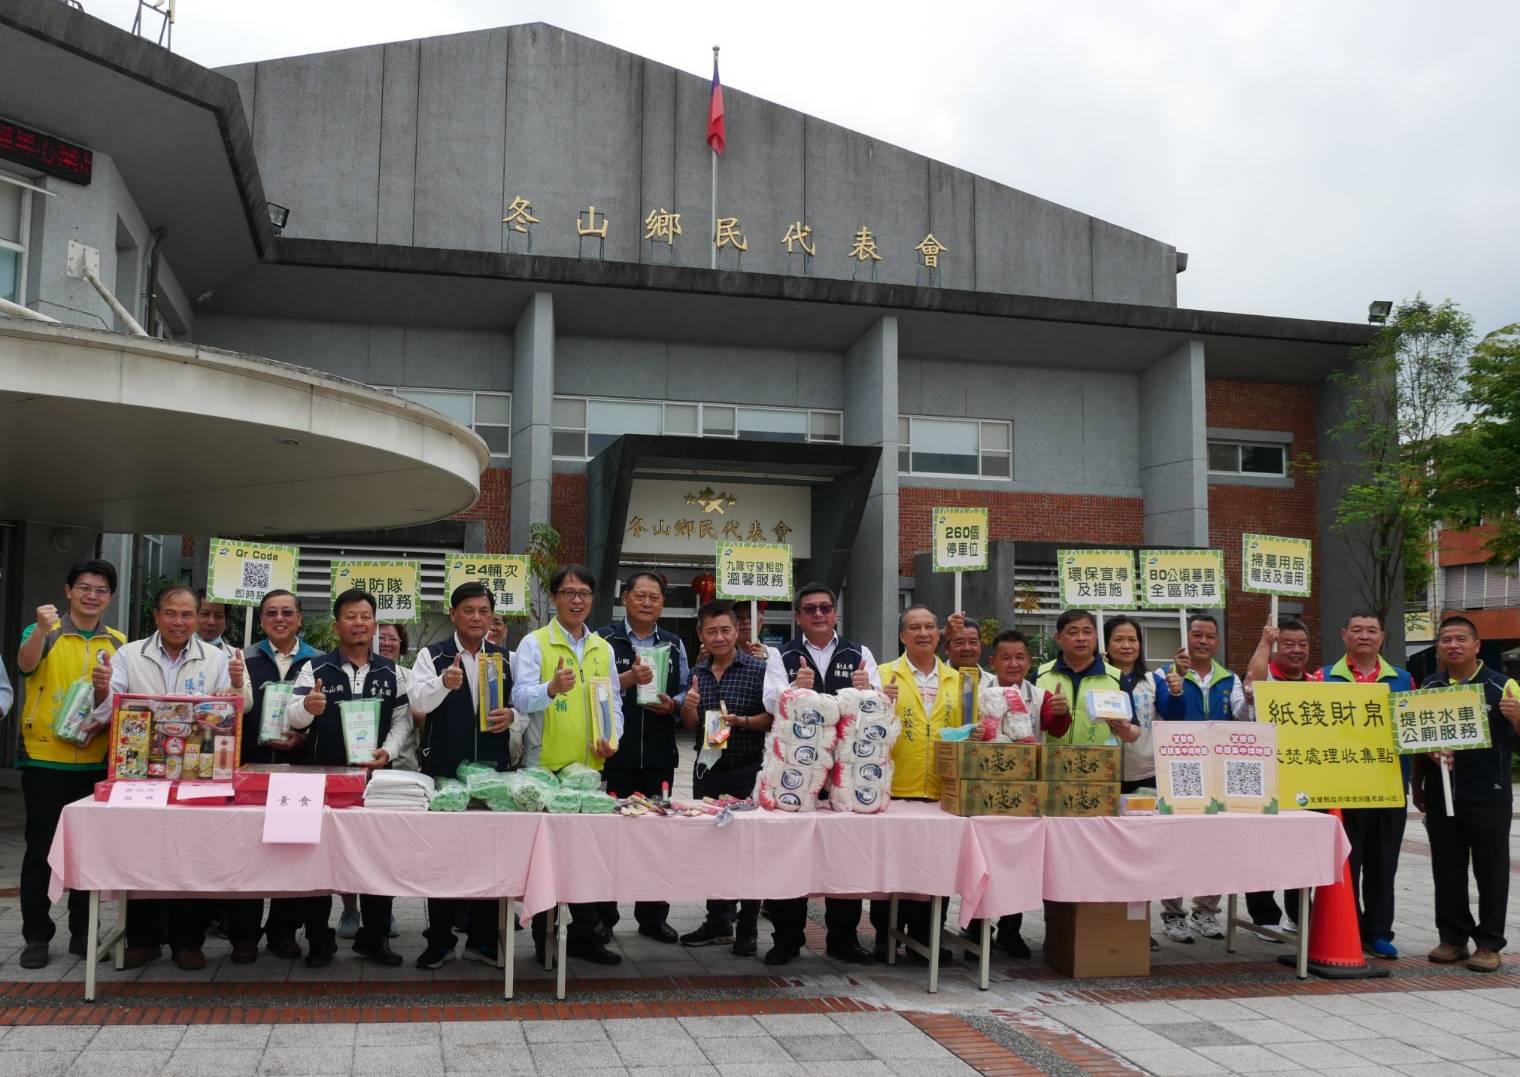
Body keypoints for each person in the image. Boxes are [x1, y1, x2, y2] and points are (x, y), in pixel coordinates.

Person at [96, 585, 239, 970]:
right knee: (141, 852)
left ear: (196, 618)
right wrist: (100, 690)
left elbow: (236, 709)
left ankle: (187, 941)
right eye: (171, 614)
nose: (179, 622)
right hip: (141, 773)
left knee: (190, 854)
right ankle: (143, 938)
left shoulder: (217, 657)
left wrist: (239, 686)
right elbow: (109, 707)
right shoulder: (130, 654)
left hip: (197, 772)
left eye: (187, 615)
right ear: (156, 615)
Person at [287, 588, 414, 967]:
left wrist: (387, 752)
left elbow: (402, 720)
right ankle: (318, 939)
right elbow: (292, 717)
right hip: (322, 780)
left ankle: (374, 938)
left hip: (375, 782)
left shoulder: (392, 672)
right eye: (350, 617)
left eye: (365, 616)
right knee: (316, 858)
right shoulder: (315, 669)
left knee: (378, 856)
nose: (358, 623)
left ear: (374, 623)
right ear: (336, 623)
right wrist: (308, 707)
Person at [13, 560, 125, 970]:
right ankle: (36, 935)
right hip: (45, 758)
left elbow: (118, 701)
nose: (92, 595)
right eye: (84, 587)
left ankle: (85, 931)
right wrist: (41, 629)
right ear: (68, 590)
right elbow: (25, 665)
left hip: (95, 761)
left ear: (110, 597)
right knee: (40, 849)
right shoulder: (45, 632)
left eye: (100, 589)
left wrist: (102, 722)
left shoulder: (117, 642)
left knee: (89, 852)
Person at [761, 582, 881, 966]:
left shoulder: (858, 653)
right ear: (798, 616)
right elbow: (771, 700)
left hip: (848, 771)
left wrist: (867, 690)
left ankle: (843, 939)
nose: (818, 614)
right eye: (809, 609)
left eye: (824, 608)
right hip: (797, 770)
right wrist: (796, 689)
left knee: (844, 855)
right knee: (788, 855)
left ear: (835, 613)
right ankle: (787, 938)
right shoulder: (782, 654)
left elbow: (877, 703)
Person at [510, 564, 623, 965]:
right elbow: (519, 698)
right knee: (545, 858)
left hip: (588, 769)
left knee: (586, 857)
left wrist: (613, 738)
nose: (577, 600)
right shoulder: (534, 644)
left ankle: (584, 937)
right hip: (545, 767)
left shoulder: (603, 648)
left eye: (585, 594)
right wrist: (550, 688)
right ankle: (543, 939)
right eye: (569, 592)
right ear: (554, 598)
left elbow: (614, 700)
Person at [408, 581, 515, 968]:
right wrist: (442, 683)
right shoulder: (432, 655)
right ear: (453, 614)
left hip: (492, 772)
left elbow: (522, 707)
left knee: (488, 856)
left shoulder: (505, 658)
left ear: (491, 617)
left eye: (483, 611)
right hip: (444, 772)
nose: (476, 618)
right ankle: (439, 939)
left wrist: (513, 716)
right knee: (443, 857)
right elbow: (417, 703)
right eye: (468, 610)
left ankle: (483, 940)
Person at [1411, 616, 1520, 973]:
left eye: (1461, 639)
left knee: (1491, 871)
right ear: (1438, 647)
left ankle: (1489, 943)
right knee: (1447, 869)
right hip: (1442, 795)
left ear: (1476, 645)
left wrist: (1518, 718)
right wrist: (1419, 782)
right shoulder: (1429, 687)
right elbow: (1418, 742)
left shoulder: (1504, 686)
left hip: (1490, 794)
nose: (1453, 645)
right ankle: (1453, 937)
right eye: (1446, 640)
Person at [1309, 610, 1413, 959]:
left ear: (1382, 638)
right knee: (1345, 863)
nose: (1364, 636)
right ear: (1344, 635)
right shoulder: (1323, 678)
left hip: (1388, 787)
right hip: (1342, 789)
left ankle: (1379, 931)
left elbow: (1411, 735)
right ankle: (1347, 926)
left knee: (1384, 864)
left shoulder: (1403, 679)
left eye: (1371, 630)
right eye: (1357, 630)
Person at [224, 589, 319, 963]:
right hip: (251, 768)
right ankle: (243, 935)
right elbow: (234, 707)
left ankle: (283, 932)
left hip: (298, 771)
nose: (279, 619)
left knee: (291, 854)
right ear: (261, 620)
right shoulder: (243, 658)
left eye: (287, 613)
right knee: (247, 853)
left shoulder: (316, 662)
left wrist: (305, 738)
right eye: (271, 614)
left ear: (299, 618)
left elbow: (323, 713)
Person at [596, 571, 688, 944]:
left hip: (658, 756)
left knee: (657, 839)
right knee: (609, 839)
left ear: (662, 603)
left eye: (655, 597)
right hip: (613, 755)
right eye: (641, 596)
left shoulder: (674, 642)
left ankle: (653, 916)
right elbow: (594, 689)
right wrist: (627, 679)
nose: (648, 603)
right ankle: (603, 917)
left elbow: (685, 690)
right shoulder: (604, 640)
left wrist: (676, 704)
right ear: (626, 598)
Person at [677, 601, 772, 956]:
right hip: (708, 768)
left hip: (746, 768)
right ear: (701, 634)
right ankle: (718, 921)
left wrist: (744, 722)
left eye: (725, 630)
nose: (719, 637)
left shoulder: (758, 670)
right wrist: (688, 708)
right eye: (711, 631)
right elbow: (691, 727)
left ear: (737, 631)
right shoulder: (697, 673)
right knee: (712, 848)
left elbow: (773, 718)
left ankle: (747, 926)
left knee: (749, 849)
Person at [871, 605, 966, 959]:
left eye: (929, 626)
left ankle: (927, 936)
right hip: (893, 788)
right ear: (902, 636)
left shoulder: (959, 680)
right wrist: (879, 701)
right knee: (891, 868)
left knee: (934, 868)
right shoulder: (883, 675)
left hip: (942, 792)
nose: (923, 633)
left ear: (939, 633)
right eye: (914, 627)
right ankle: (884, 935)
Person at [1152, 613, 1247, 943]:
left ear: (1218, 641)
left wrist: (1250, 695)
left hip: (1218, 771)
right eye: (1197, 635)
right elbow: (1164, 712)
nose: (1203, 641)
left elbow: (1242, 715)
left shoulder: (1229, 679)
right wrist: (1176, 678)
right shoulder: (1165, 675)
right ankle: (1173, 914)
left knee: (1217, 843)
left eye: (1209, 636)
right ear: (1186, 637)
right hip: (1179, 769)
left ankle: (1206, 911)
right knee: (1174, 844)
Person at [969, 629, 1060, 958]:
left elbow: (1054, 727)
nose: (1014, 663)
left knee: (1018, 864)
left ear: (1029, 661)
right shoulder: (978, 692)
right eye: (1006, 657)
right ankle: (976, 932)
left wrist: (1060, 712)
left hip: (1023, 793)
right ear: (991, 661)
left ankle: (1011, 929)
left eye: (1020, 657)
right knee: (982, 865)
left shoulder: (1039, 694)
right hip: (985, 788)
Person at [1241, 617, 1313, 937]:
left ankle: (1298, 914)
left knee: (1302, 852)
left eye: (1303, 644)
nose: (1296, 650)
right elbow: (1252, 683)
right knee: (1262, 850)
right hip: (1264, 780)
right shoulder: (1267, 677)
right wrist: (1264, 642)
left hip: (1304, 780)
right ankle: (1263, 915)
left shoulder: (1317, 684)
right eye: (1288, 644)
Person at [1035, 609, 1125, 747]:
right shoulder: (1040, 675)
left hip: (1100, 763)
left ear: (1096, 637)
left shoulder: (1116, 677)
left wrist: (1125, 728)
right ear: (1058, 638)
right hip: (1051, 761)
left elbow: (1133, 731)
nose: (1081, 638)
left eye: (1087, 632)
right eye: (1073, 632)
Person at [944, 614, 996, 690]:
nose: (967, 648)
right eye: (960, 642)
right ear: (947, 648)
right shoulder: (935, 682)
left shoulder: (994, 684)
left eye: (973, 642)